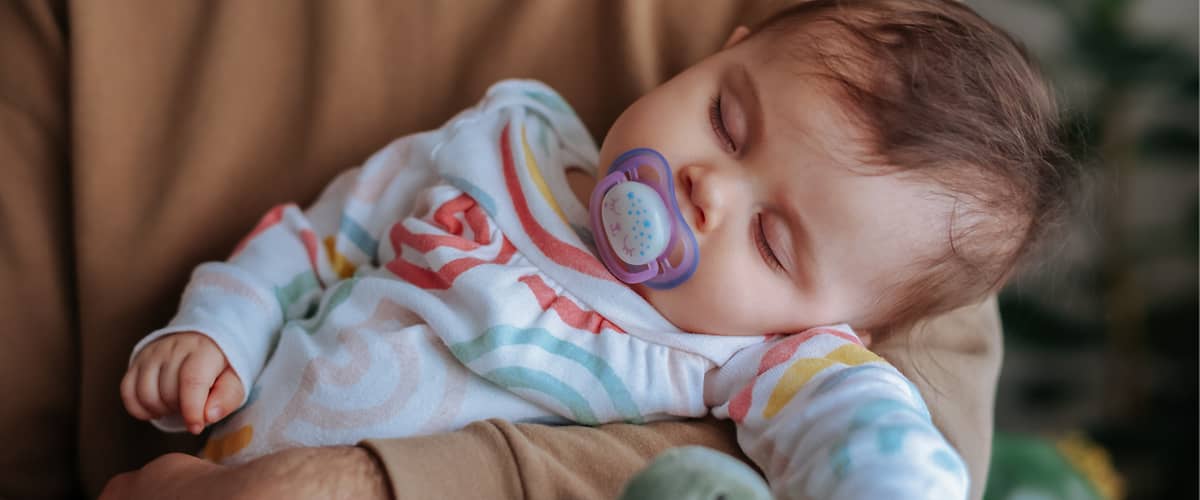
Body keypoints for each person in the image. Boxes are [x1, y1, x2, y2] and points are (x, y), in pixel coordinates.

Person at [117, 0, 1069, 498]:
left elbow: (862, 436)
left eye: (773, 240)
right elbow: (317, 242)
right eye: (728, 121)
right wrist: (218, 334)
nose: (708, 189)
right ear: (710, 57)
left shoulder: (756, 356)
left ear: (840, 320)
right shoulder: (497, 142)